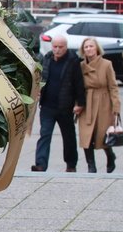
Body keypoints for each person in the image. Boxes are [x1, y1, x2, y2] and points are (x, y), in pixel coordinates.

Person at [31, 34, 85, 172]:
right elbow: (41, 77)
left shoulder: (73, 61)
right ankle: (41, 164)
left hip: (65, 106)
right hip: (47, 105)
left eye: (60, 47)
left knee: (68, 137)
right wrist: (38, 91)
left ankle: (71, 164)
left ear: (65, 47)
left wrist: (80, 103)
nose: (57, 50)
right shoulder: (47, 58)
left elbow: (79, 83)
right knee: (45, 134)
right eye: (55, 46)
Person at [77, 37, 121, 173]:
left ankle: (110, 156)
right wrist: (77, 104)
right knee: (86, 135)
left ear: (97, 48)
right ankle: (91, 166)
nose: (89, 49)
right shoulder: (80, 66)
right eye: (86, 47)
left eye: (91, 46)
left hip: (103, 102)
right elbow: (77, 86)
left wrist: (116, 107)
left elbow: (113, 86)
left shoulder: (106, 64)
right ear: (83, 50)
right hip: (87, 102)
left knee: (103, 134)